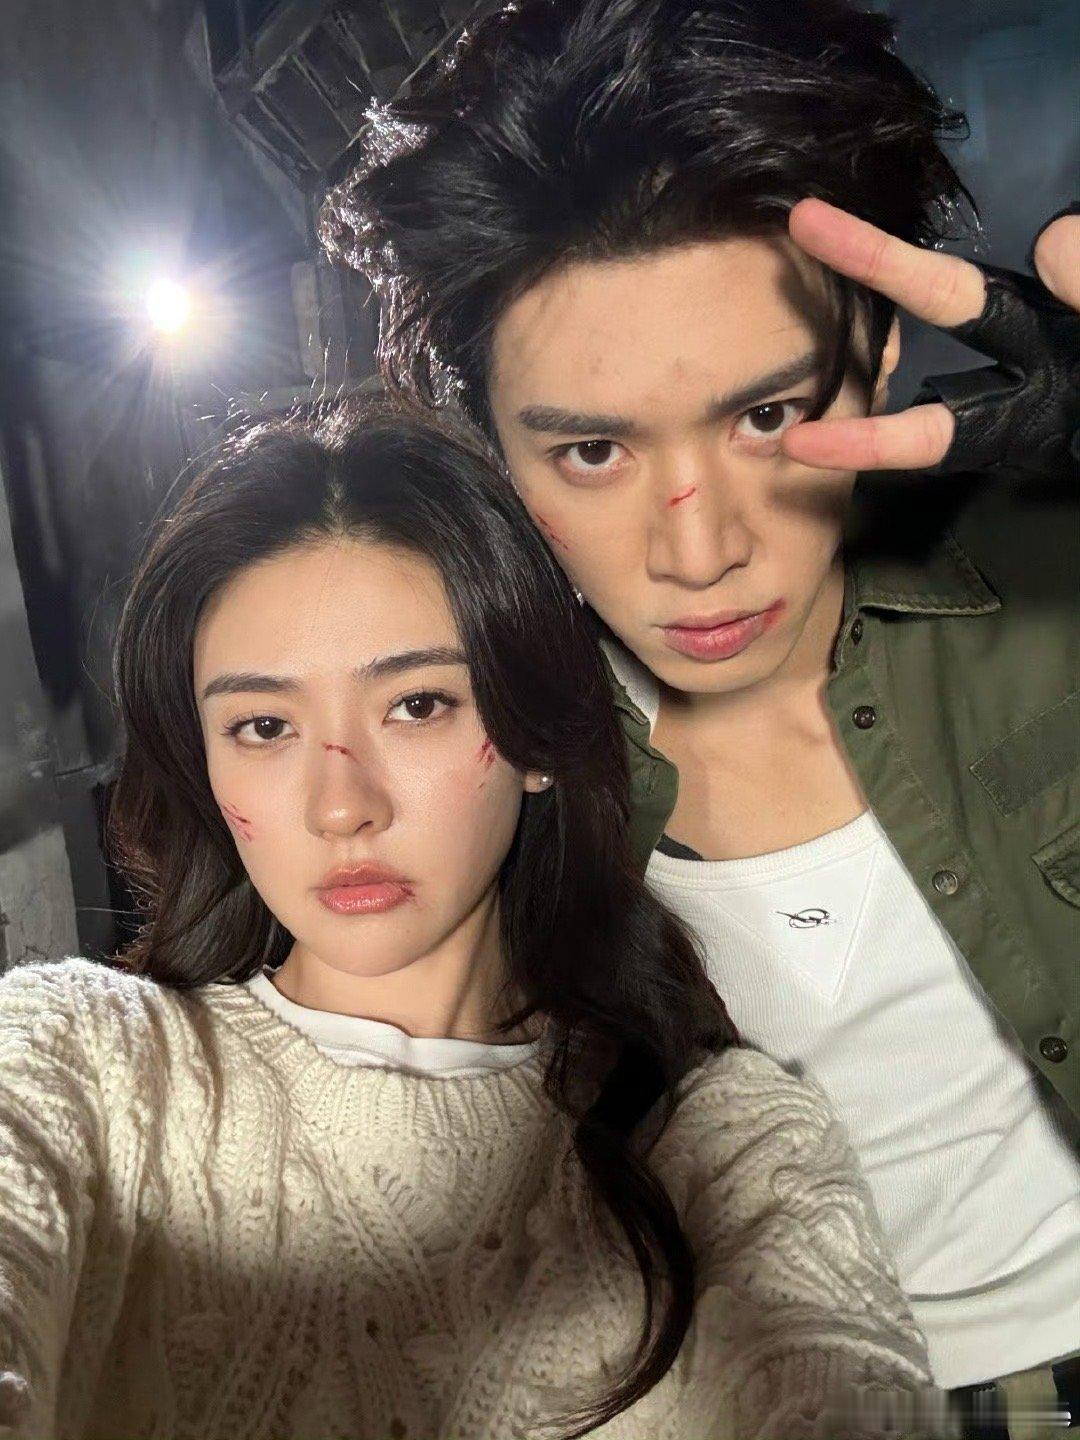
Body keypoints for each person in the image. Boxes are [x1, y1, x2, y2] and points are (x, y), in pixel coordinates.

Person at [318, 0, 1080, 1430]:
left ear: (879, 352)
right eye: (593, 452)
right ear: (491, 449)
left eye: (767, 418)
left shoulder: (1055, 582)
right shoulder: (455, 768)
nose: (699, 548)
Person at [0, 399, 960, 1439]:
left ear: (536, 734)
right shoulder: (78, 1065)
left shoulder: (725, 1147)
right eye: (264, 726)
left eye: (418, 705)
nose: (341, 806)